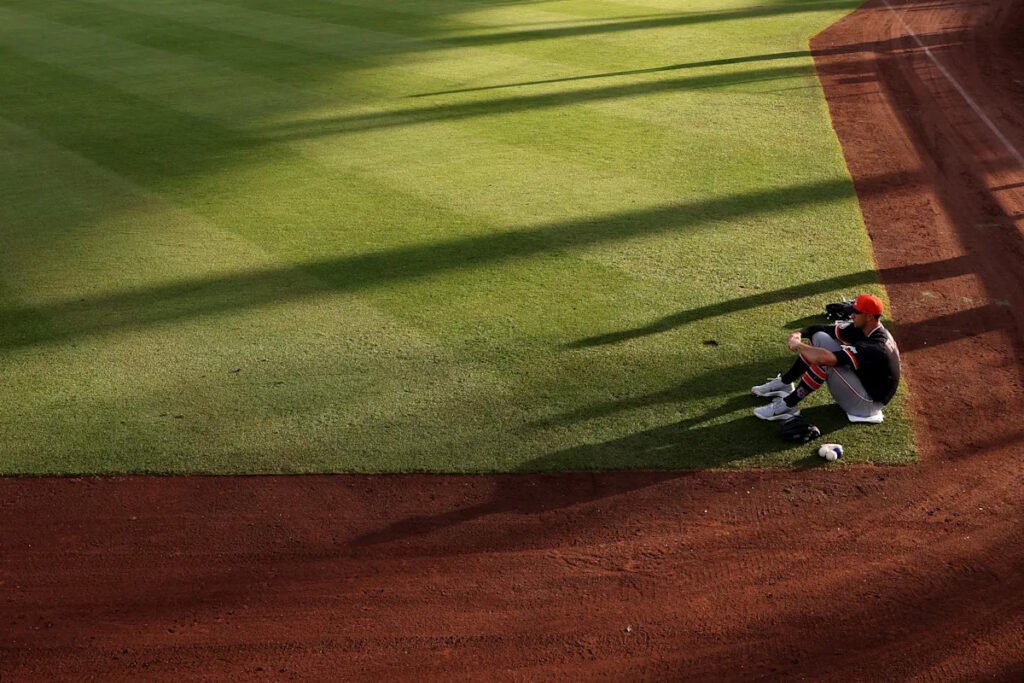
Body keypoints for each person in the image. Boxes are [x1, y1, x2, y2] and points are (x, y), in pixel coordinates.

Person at [751, 293, 901, 423]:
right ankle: (785, 382)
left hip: (868, 404)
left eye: (856, 312)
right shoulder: (867, 328)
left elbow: (824, 359)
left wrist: (798, 345)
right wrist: (799, 334)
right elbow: (822, 329)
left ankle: (787, 406)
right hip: (863, 384)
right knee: (819, 338)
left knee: (824, 362)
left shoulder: (875, 346)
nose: (851, 315)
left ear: (869, 317)